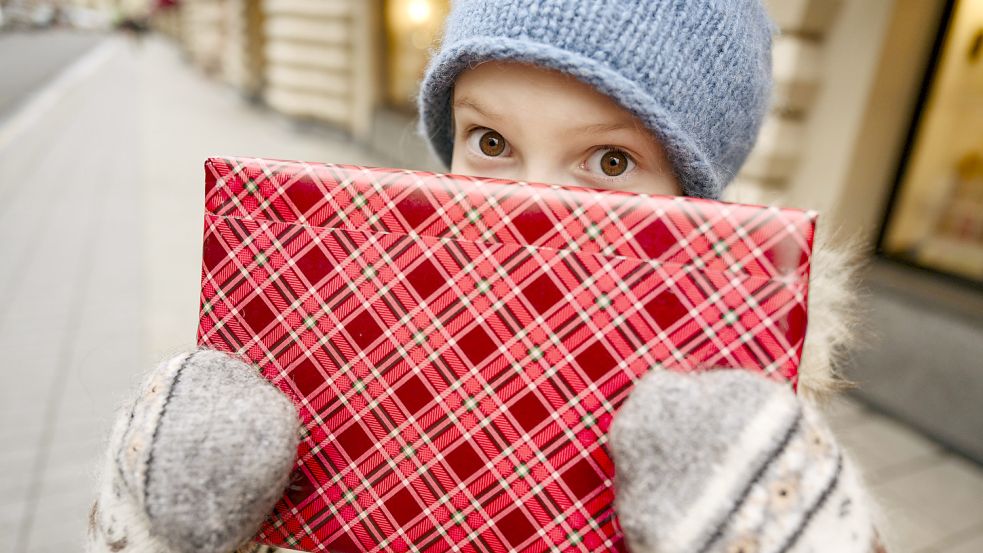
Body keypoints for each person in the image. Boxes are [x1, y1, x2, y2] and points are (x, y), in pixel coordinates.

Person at [87, 1, 888, 552]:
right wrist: (152, 511)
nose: (530, 207)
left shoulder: (744, 427)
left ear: (692, 200)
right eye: (492, 143)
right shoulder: (339, 339)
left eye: (610, 160)